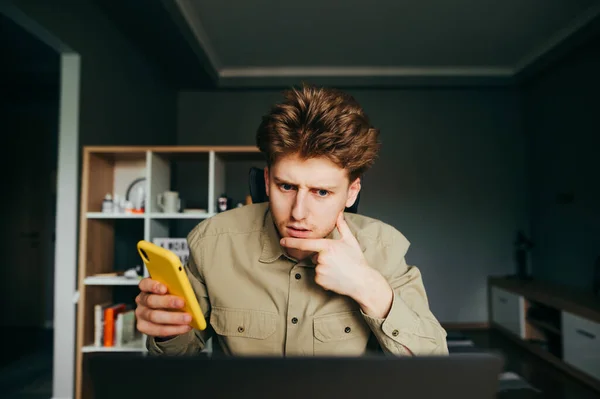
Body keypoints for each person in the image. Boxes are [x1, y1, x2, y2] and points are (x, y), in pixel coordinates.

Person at [135, 84, 448, 356]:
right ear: (268, 180)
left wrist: (367, 286)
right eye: (287, 186)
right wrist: (166, 330)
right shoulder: (212, 241)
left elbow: (434, 367)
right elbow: (178, 354)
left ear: (351, 192)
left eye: (322, 192)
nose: (298, 212)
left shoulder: (385, 249)